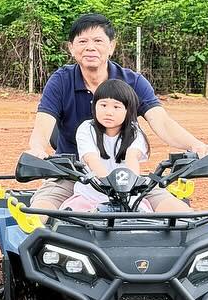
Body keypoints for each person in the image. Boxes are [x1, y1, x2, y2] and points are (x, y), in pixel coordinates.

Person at [24, 14, 208, 213]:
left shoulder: (132, 82)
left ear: (112, 46)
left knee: (177, 212)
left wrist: (196, 145)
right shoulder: (61, 81)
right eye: (82, 41)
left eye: (98, 41)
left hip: (126, 176)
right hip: (71, 173)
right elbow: (43, 126)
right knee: (41, 210)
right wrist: (37, 149)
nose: (90, 47)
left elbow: (161, 122)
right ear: (71, 48)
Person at [64, 78, 150, 212]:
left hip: (127, 196)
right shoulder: (86, 128)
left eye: (116, 107)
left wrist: (127, 190)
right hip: (90, 195)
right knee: (68, 216)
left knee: (145, 216)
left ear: (128, 110)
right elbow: (91, 159)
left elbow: (132, 158)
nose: (109, 112)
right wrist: (109, 186)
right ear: (94, 106)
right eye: (103, 105)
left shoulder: (135, 132)